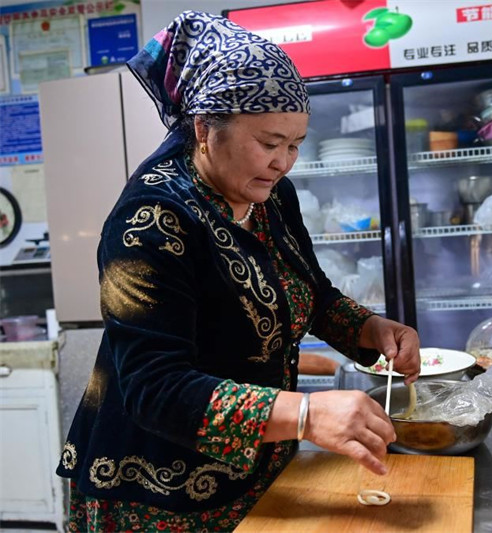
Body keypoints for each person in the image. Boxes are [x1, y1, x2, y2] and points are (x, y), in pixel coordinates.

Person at [56, 11, 420, 532]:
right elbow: (154, 388)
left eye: (294, 145)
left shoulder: (273, 197)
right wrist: (307, 414)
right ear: (204, 129)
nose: (283, 162)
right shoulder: (151, 221)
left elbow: (311, 292)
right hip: (159, 494)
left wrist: (371, 329)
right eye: (269, 143)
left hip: (259, 472)